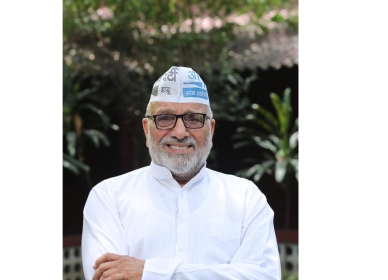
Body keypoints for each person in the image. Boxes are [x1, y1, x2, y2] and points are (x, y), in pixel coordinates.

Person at [81, 66, 281, 280]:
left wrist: (148, 273)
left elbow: (264, 277)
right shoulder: (108, 197)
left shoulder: (245, 198)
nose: (179, 132)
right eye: (165, 118)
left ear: (211, 130)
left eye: (193, 118)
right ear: (146, 129)